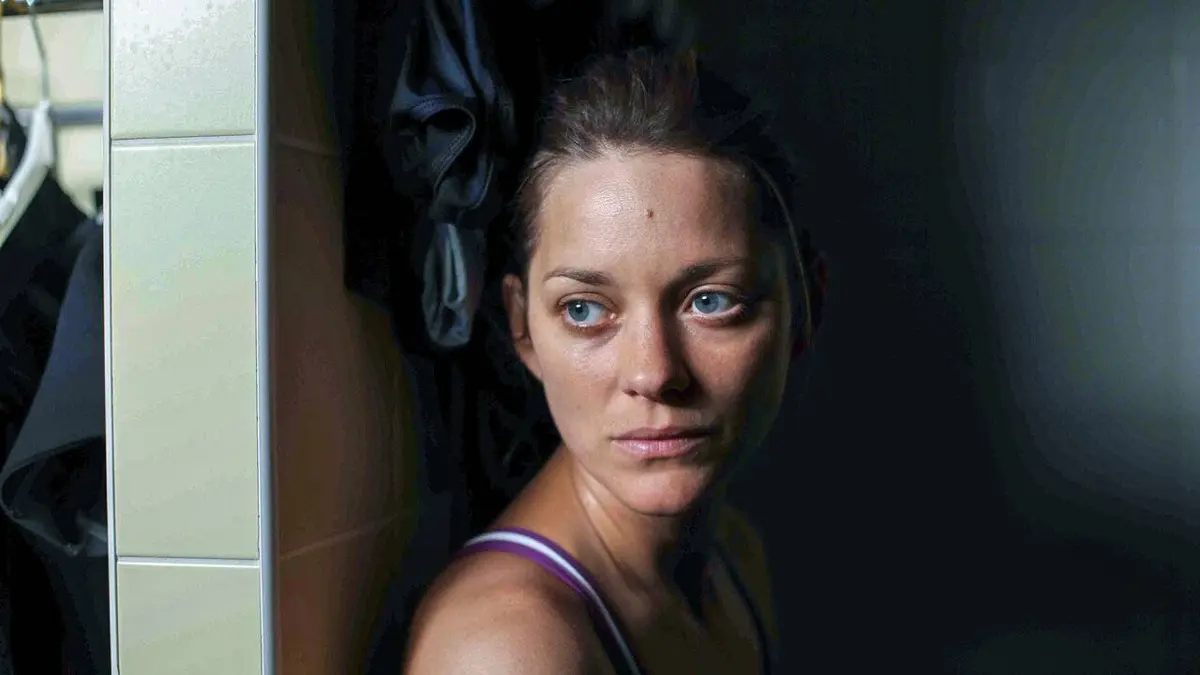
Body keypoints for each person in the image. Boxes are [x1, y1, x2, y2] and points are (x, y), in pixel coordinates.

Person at [403, 46, 828, 675]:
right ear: (523, 329)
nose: (654, 374)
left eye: (711, 301)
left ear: (807, 305)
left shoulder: (735, 555)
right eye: (584, 310)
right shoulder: (508, 652)